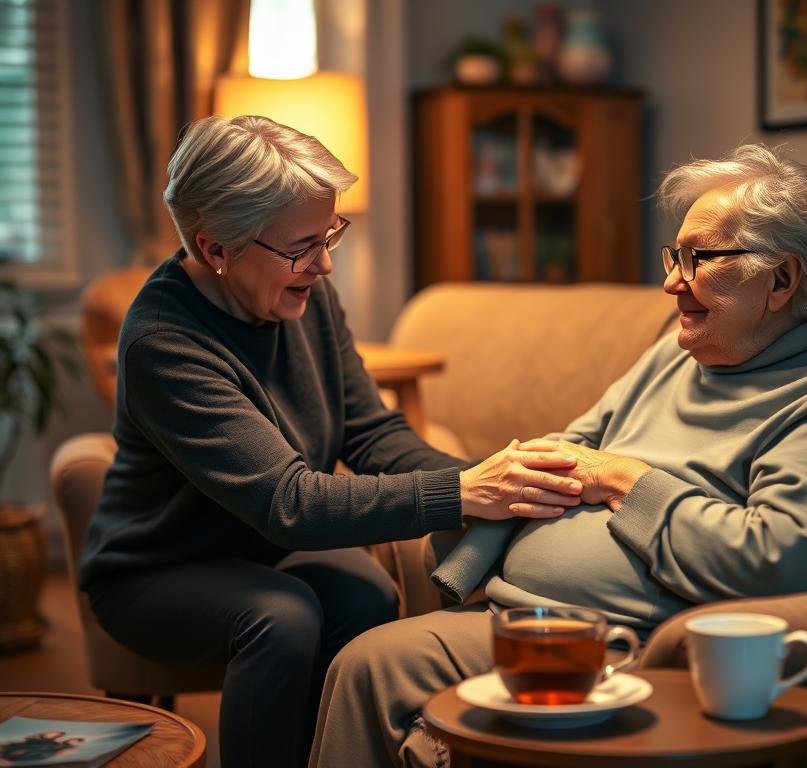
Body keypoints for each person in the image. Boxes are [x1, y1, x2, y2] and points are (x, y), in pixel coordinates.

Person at [310, 144, 807, 768]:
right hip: (524, 620)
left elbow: (775, 559)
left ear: (781, 280)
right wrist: (478, 547)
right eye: (674, 257)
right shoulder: (676, 357)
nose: (671, 282)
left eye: (699, 259)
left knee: (372, 664)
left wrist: (628, 481)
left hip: (640, 648)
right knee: (367, 662)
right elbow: (569, 451)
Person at [78, 115, 585, 768]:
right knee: (281, 616)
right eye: (301, 247)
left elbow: (369, 431)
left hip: (261, 549)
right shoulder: (163, 343)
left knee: (365, 592)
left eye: (329, 236)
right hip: (154, 570)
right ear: (216, 250)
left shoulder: (300, 294)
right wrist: (463, 493)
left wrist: (493, 481)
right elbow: (290, 503)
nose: (323, 264)